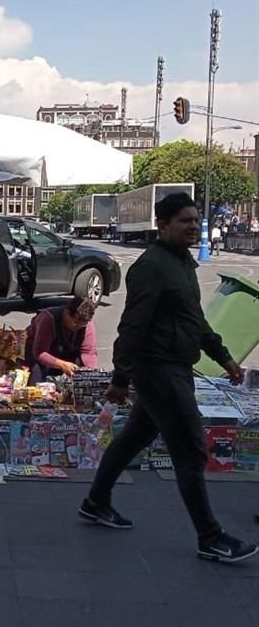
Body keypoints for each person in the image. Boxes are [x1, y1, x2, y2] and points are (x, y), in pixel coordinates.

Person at [80, 192, 256, 564]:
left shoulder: (182, 265)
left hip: (174, 367)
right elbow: (131, 326)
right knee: (190, 452)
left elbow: (195, 321)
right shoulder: (153, 266)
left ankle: (95, 502)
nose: (193, 226)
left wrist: (223, 357)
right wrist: (121, 378)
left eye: (195, 219)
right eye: (184, 221)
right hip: (159, 371)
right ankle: (210, 537)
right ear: (162, 225)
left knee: (133, 439)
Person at [24, 297, 99, 382]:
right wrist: (62, 364)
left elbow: (88, 352)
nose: (77, 327)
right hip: (38, 353)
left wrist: (90, 372)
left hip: (66, 352)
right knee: (37, 376)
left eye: (82, 325)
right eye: (75, 322)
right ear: (66, 313)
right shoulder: (48, 319)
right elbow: (39, 353)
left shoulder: (87, 326)